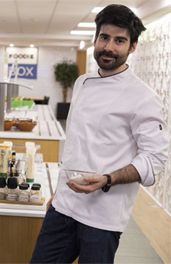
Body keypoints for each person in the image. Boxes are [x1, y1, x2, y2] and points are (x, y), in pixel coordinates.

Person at [30, 4, 169, 264]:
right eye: (104, 37)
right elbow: (76, 144)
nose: (109, 47)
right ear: (95, 39)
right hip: (64, 207)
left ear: (133, 46)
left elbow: (154, 160)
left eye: (120, 40)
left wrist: (107, 179)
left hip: (103, 218)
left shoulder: (144, 97)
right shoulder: (82, 82)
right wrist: (59, 193)